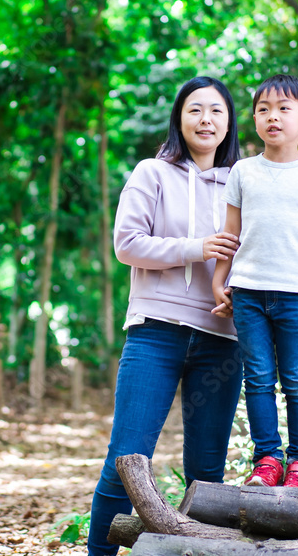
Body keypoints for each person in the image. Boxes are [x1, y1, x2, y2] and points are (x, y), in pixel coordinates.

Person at [87, 76, 244, 556]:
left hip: (221, 337)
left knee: (207, 475)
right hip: (157, 332)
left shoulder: (244, 182)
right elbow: (127, 244)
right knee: (125, 460)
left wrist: (241, 290)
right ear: (180, 117)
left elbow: (258, 253)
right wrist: (198, 248)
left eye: (216, 111)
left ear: (229, 122)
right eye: (195, 110)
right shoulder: (151, 173)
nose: (206, 120)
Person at [211, 74, 298, 488]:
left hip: (296, 295)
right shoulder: (242, 171)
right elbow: (230, 234)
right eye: (263, 109)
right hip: (249, 294)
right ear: (253, 118)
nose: (273, 117)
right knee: (257, 378)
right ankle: (267, 460)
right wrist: (221, 281)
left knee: (296, 381)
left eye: (284, 109)